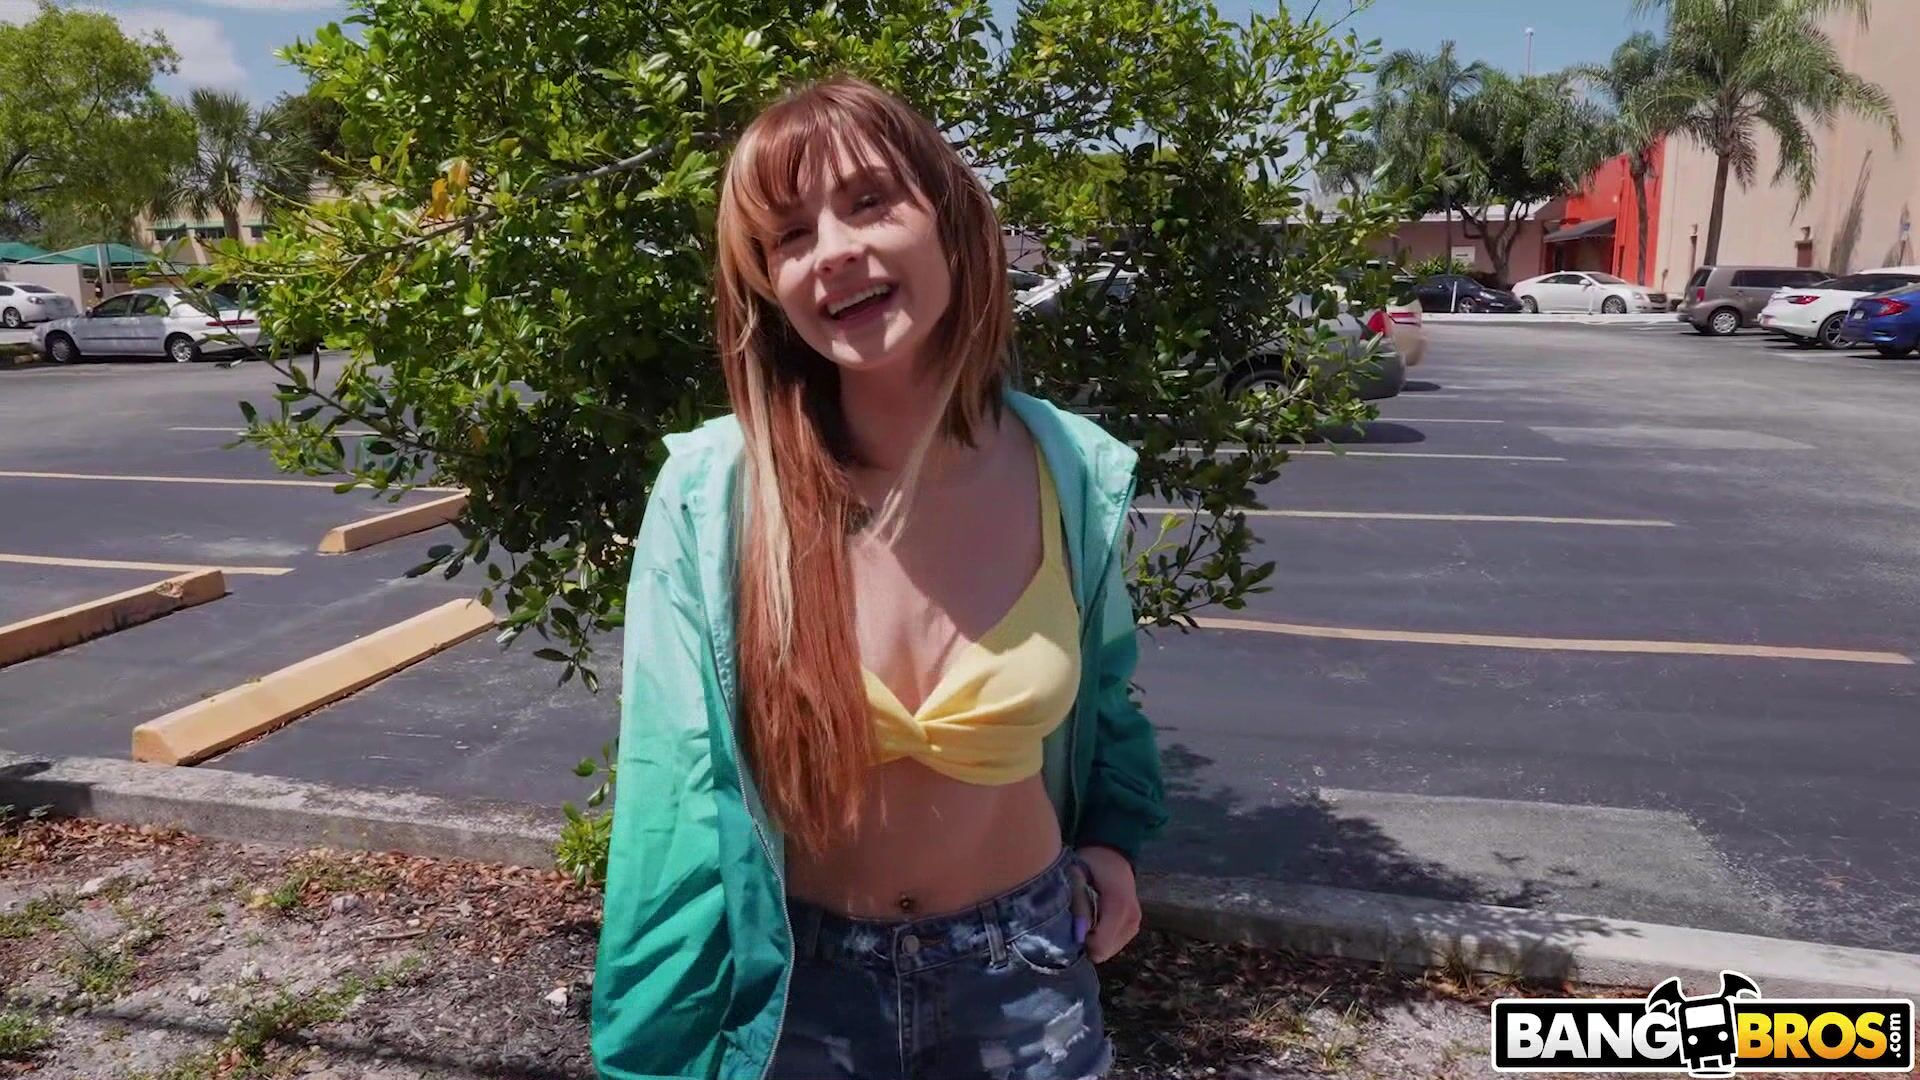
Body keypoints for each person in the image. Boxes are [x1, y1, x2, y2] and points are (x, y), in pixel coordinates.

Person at [592, 75, 1169, 1080]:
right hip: (798, 987)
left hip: (1026, 972)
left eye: (867, 202)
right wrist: (653, 1049)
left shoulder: (1071, 471)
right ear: (768, 284)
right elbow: (669, 798)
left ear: (949, 217)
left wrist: (1113, 844)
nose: (833, 251)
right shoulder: (717, 492)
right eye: (789, 235)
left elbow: (1105, 696)